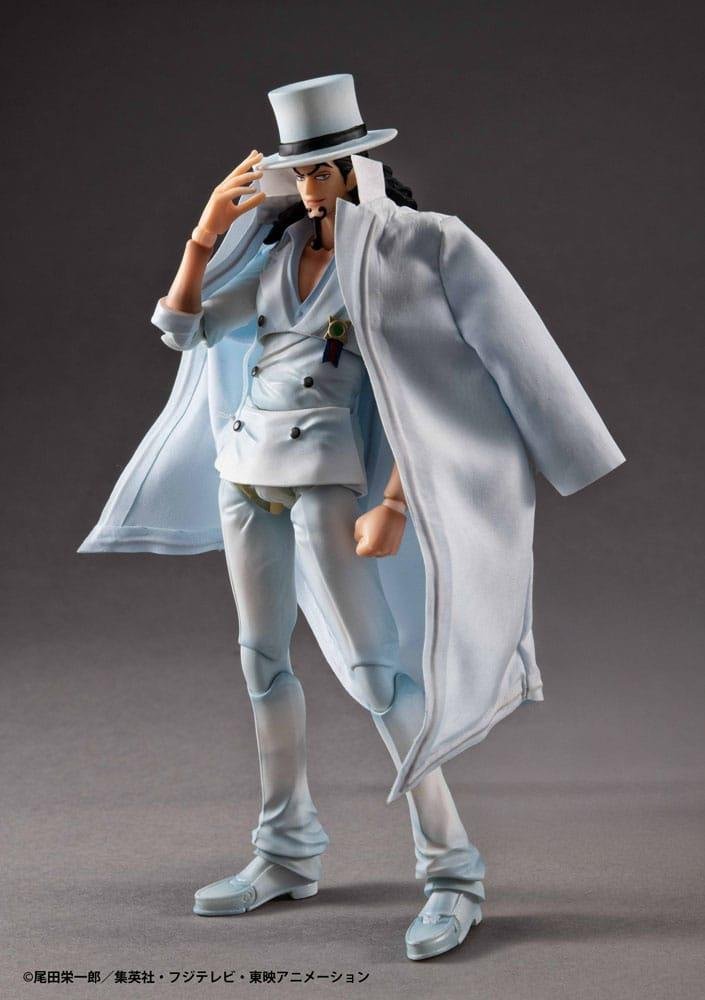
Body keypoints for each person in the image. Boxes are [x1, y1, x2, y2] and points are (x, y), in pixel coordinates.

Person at [80, 74, 625, 960]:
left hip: (324, 481)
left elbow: (439, 391)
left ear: (357, 167)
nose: (309, 186)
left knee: (376, 675)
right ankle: (285, 849)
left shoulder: (410, 251)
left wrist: (397, 502)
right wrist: (205, 234)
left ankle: (452, 870)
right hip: (244, 472)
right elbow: (184, 329)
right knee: (261, 661)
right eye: (299, 172)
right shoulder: (273, 259)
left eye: (323, 170)